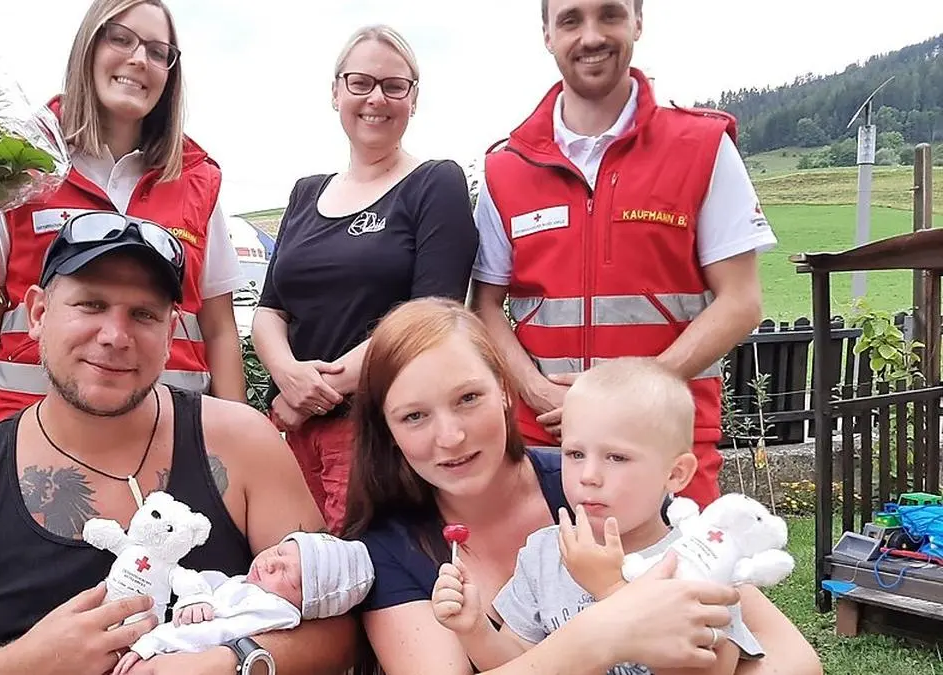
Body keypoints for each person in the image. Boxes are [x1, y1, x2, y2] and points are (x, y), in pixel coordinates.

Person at [0, 211, 356, 675]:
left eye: (144, 314)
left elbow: (339, 628)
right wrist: (19, 666)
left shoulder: (244, 447)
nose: (116, 335)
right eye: (91, 304)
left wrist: (231, 661)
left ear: (170, 332)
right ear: (38, 312)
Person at [339, 297, 821, 675]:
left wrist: (611, 608)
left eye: (468, 398)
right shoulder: (394, 547)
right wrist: (597, 633)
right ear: (387, 428)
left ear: (505, 391)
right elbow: (508, 652)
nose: (451, 437)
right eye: (414, 416)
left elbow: (786, 659)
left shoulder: (598, 492)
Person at [469, 0, 776, 509]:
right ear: (547, 34)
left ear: (638, 21)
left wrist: (632, 393)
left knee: (675, 585)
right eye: (570, 20)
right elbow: (484, 307)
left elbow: (741, 301)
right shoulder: (506, 166)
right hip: (547, 440)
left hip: (664, 438)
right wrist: (536, 390)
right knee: (543, 583)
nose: (591, 36)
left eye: (609, 14)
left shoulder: (701, 146)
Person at [0, 0, 248, 430]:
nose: (139, 59)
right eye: (120, 39)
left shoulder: (197, 177)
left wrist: (236, 437)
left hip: (169, 439)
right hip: (32, 439)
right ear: (87, 48)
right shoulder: (17, 165)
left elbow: (219, 329)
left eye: (158, 51)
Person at [251, 24, 478, 533]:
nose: (376, 98)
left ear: (413, 100)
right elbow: (269, 309)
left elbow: (430, 321)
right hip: (288, 430)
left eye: (394, 86)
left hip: (374, 432)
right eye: (360, 83)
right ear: (336, 92)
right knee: (292, 573)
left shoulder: (434, 183)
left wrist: (312, 393)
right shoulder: (305, 193)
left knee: (362, 576)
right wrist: (287, 378)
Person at [432, 357, 771, 674]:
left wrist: (610, 589)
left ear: (676, 474)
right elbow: (524, 661)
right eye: (575, 453)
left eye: (617, 458)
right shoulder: (545, 553)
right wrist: (475, 629)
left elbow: (713, 668)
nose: (588, 475)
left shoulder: (698, 559)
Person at [113, 531, 375, 673]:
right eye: (281, 551)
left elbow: (214, 632)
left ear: (305, 606)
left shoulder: (273, 609)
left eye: (289, 575)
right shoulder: (250, 586)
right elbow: (213, 586)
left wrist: (151, 645)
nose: (272, 563)